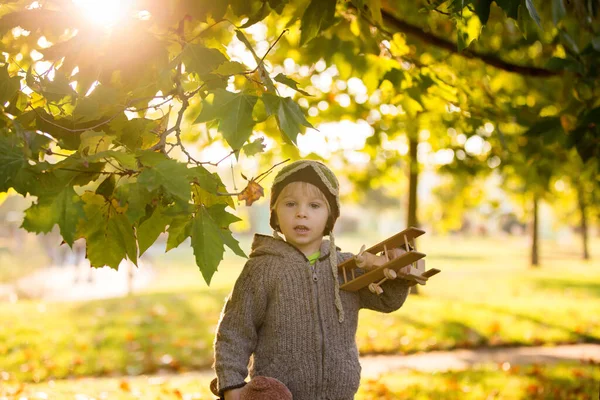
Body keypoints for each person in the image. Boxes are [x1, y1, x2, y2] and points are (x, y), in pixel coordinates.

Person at [213, 160, 412, 400]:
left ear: (330, 216)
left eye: (315, 205)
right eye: (290, 204)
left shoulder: (344, 266)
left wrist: (399, 277)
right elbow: (235, 330)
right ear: (274, 212)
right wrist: (231, 387)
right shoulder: (262, 268)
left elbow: (387, 301)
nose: (302, 212)